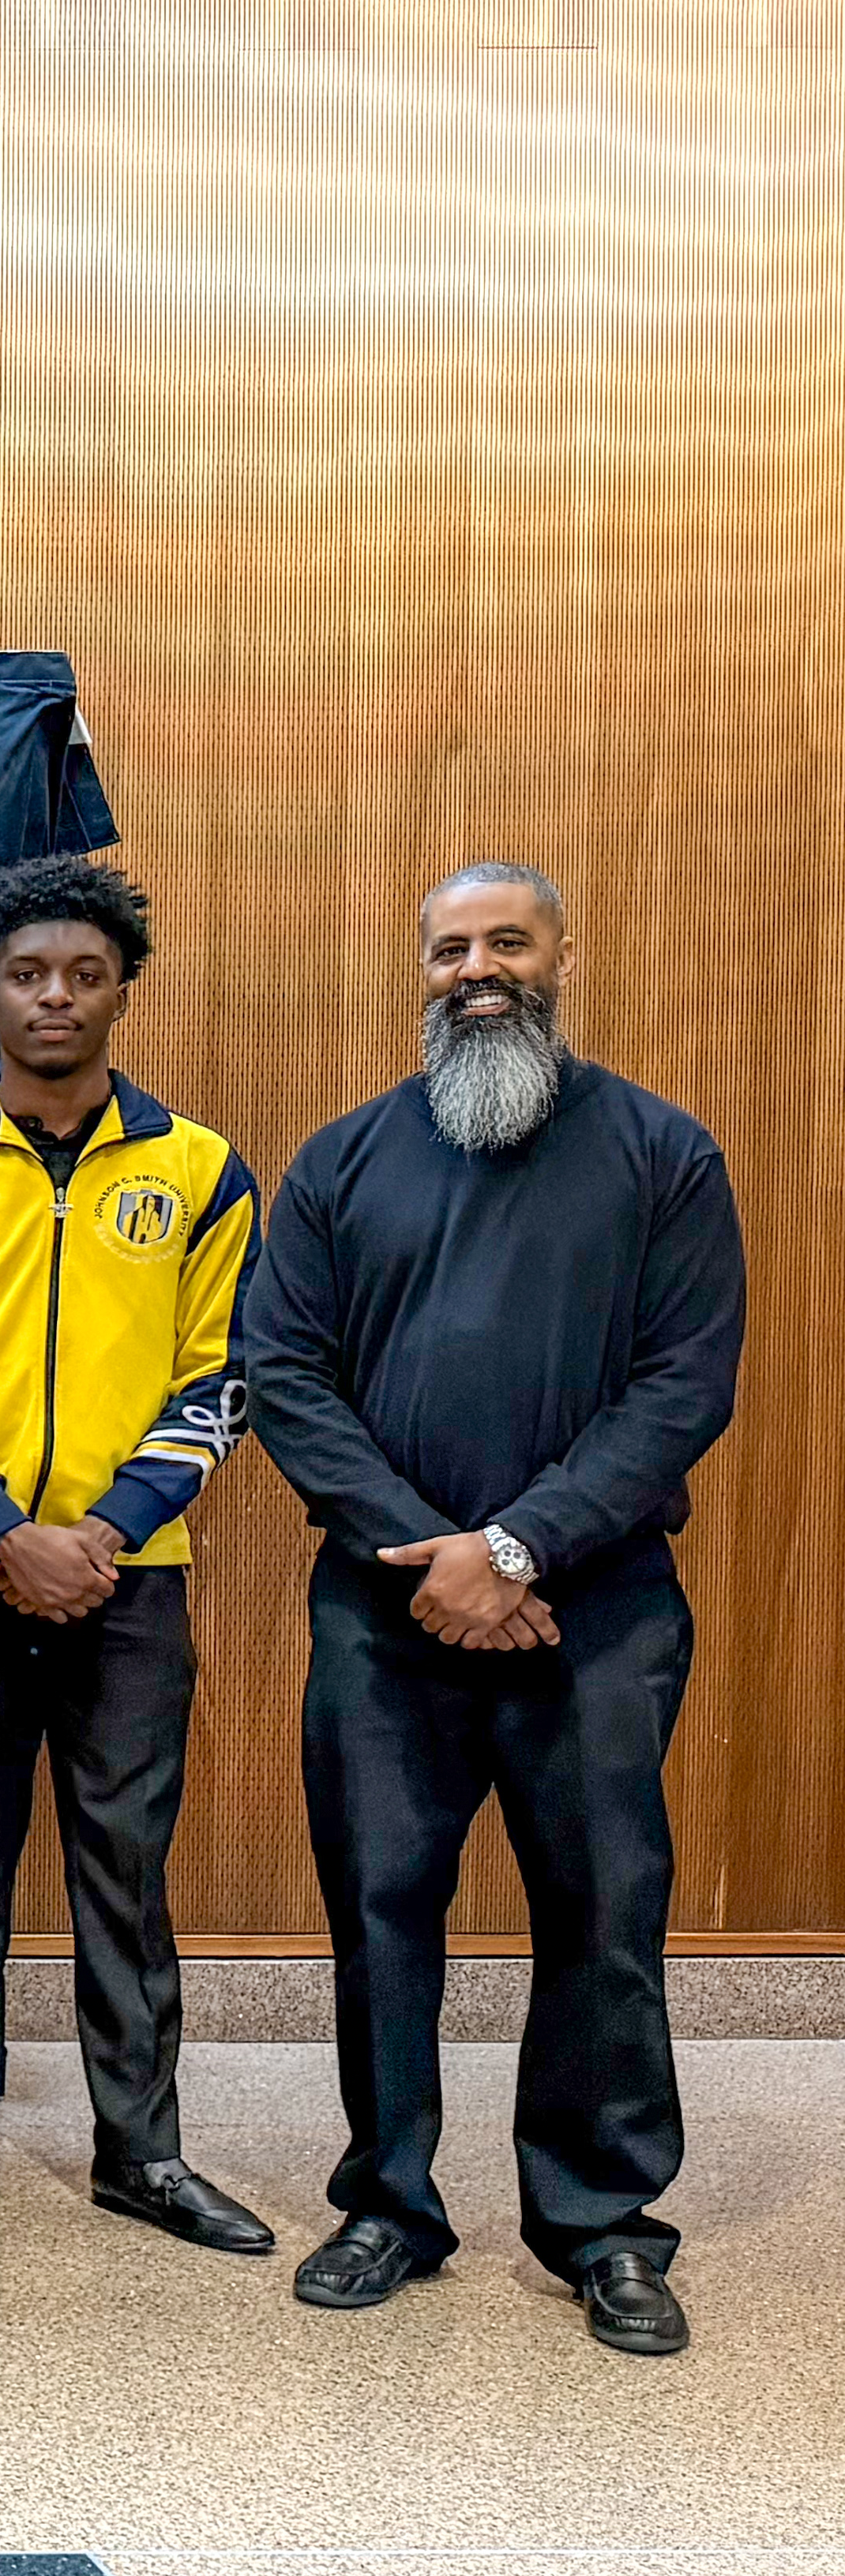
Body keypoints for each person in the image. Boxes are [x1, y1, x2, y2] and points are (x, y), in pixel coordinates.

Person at [239, 865, 742, 2358]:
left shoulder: (663, 1153)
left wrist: (519, 1549)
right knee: (380, 1908)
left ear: (563, 956)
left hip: (597, 1610)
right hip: (386, 1615)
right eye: (449, 947)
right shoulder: (341, 1163)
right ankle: (390, 2198)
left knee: (604, 1914)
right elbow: (288, 1380)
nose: (476, 970)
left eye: (505, 942)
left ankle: (602, 2224)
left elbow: (684, 1386)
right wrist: (437, 1557)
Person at [0, 853, 269, 2253]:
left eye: (86, 974)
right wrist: (1, 1531)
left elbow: (226, 1375)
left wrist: (100, 1530)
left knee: (124, 1866)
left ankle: (140, 2151)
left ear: (123, 994)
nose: (57, 996)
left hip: (128, 1578)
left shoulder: (200, 1168)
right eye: (31, 974)